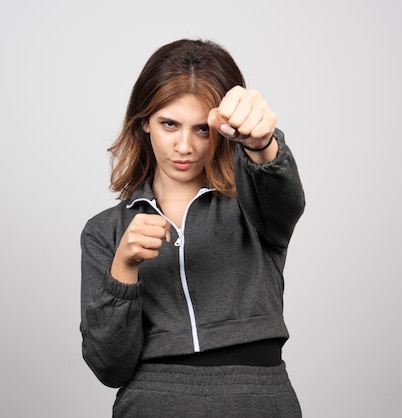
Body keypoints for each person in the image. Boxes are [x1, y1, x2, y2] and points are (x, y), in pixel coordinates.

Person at [80, 38, 305, 417]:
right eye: (169, 124)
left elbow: (284, 195)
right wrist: (124, 270)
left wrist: (262, 143)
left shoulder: (255, 206)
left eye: (202, 129)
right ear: (144, 124)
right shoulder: (105, 232)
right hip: (151, 405)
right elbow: (109, 366)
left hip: (258, 401)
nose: (184, 146)